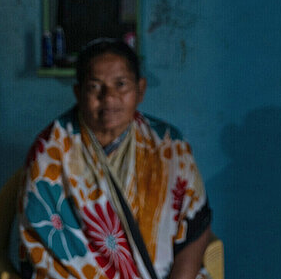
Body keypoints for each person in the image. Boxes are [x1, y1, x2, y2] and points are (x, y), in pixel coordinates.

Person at [18, 38, 212, 279]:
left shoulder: (169, 144)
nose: (109, 97)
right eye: (95, 87)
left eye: (121, 84)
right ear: (78, 93)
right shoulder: (50, 151)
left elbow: (196, 227)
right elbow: (41, 245)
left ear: (140, 90)